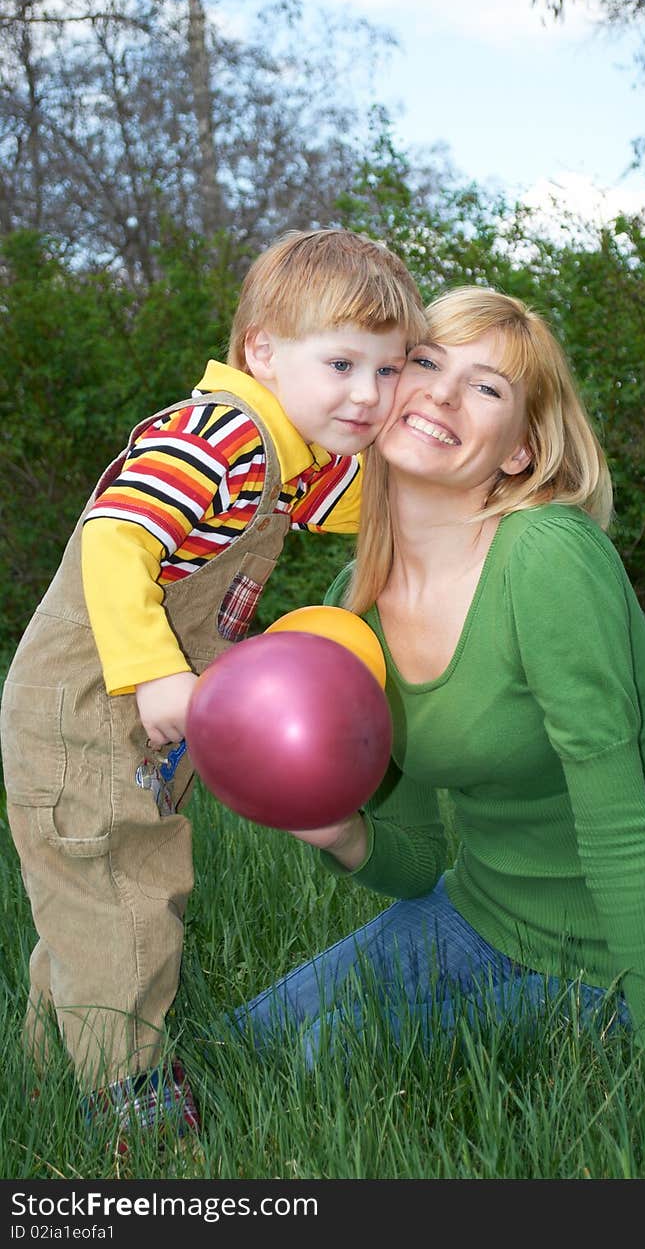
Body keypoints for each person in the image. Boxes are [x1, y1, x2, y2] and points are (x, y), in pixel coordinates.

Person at [0, 227, 426, 1146]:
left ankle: (42, 1079)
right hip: (88, 708)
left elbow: (360, 502)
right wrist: (155, 670)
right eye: (343, 361)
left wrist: (435, 472)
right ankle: (130, 1097)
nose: (369, 393)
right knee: (127, 893)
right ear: (263, 349)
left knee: (96, 899)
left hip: (141, 720)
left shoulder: (292, 456)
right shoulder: (218, 435)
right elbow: (118, 536)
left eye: (390, 371)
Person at [233, 286, 645, 1073]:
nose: (441, 392)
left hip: (626, 961)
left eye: (487, 386)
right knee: (243, 1039)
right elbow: (420, 857)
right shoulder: (349, 610)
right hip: (481, 914)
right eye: (425, 361)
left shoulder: (547, 557)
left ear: (519, 450)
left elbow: (626, 828)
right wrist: (336, 830)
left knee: (328, 1051)